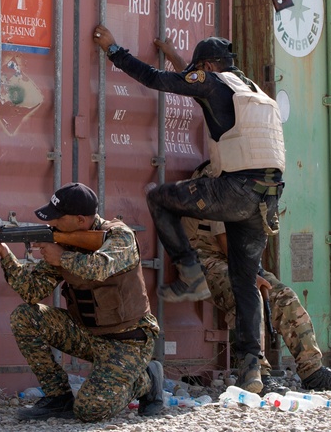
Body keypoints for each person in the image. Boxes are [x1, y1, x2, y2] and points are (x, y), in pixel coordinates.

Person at [91, 26, 284, 395]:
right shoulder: (252, 91)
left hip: (235, 189)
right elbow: (200, 88)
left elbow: (156, 79)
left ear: (208, 66)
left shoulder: (211, 82)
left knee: (160, 198)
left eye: (198, 68)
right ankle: (253, 372)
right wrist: (178, 58)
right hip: (266, 199)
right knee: (245, 284)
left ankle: (191, 271)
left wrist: (114, 49)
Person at [0, 182, 164, 422]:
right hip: (88, 334)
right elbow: (32, 291)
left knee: (90, 410)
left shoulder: (119, 236)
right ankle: (58, 397)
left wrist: (62, 258)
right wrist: (4, 254)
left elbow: (101, 268)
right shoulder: (64, 243)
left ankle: (147, 379)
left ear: (81, 220)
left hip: (128, 342)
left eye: (58, 219)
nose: (51, 224)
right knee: (25, 316)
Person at [182, 210, 331, 391]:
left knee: (284, 296)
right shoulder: (220, 183)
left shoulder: (252, 185)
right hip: (205, 260)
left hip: (238, 259)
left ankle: (312, 371)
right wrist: (249, 276)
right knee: (249, 295)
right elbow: (226, 239)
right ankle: (257, 376)